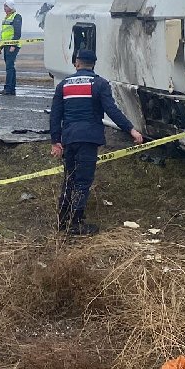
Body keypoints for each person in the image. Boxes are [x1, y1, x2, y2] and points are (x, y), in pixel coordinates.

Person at [49, 50, 144, 235]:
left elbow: (55, 115)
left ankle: (63, 221)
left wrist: (55, 141)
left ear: (76, 63)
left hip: (69, 138)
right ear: (93, 64)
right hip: (89, 138)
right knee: (83, 181)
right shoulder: (99, 84)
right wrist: (130, 129)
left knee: (69, 178)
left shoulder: (63, 85)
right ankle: (75, 224)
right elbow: (112, 110)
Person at [0, 0, 22, 95]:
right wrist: (0, 47)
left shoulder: (16, 16)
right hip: (6, 45)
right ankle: (11, 88)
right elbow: (4, 34)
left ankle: (8, 88)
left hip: (12, 46)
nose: (4, 8)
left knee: (9, 67)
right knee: (10, 67)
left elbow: (17, 32)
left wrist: (13, 45)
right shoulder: (6, 18)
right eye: (4, 6)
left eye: (6, 6)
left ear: (11, 7)